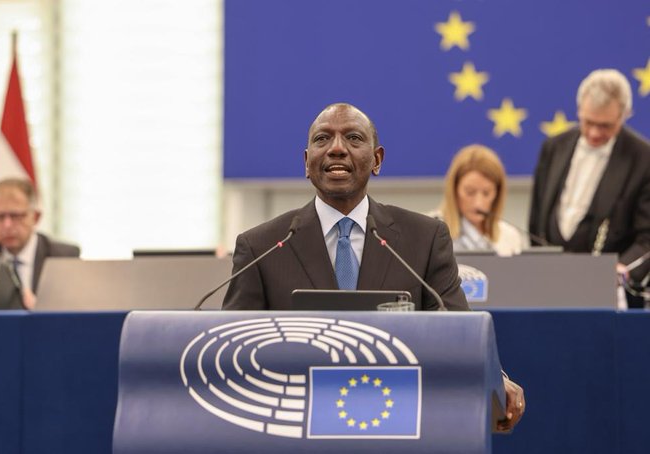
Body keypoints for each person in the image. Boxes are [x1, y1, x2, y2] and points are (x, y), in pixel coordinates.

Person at [222, 102, 525, 431]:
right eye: (323, 139)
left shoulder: (424, 238)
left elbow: (459, 331)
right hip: (294, 425)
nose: (337, 149)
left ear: (377, 160)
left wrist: (497, 379)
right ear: (306, 162)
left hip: (398, 421)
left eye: (353, 138)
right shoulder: (262, 246)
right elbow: (232, 352)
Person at [529, 69, 650, 308]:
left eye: (605, 126)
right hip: (550, 287)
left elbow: (647, 238)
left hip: (611, 297)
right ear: (579, 111)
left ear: (624, 115)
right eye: (588, 122)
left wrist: (619, 271)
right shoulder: (553, 147)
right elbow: (537, 218)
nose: (594, 133)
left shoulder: (644, 159)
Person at [0, 178, 80, 309]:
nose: (7, 225)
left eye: (16, 216)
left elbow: (77, 314)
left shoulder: (64, 257)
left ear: (36, 217)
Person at [437, 144, 524, 256]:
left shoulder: (509, 236)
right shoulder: (430, 231)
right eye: (470, 192)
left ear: (497, 194)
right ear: (454, 189)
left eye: (486, 193)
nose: (478, 203)